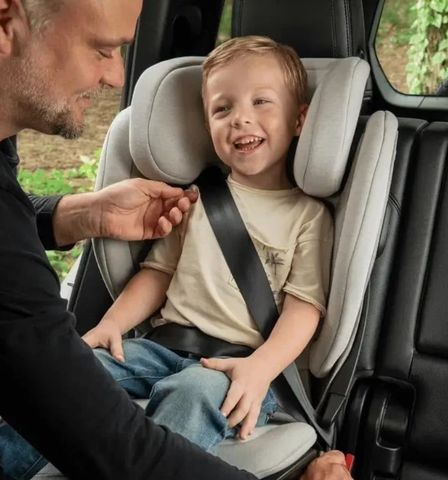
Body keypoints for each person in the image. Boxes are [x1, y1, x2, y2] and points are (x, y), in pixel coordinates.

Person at [0, 0, 354, 478]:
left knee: (191, 393)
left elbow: (303, 309)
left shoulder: (308, 216)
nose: (240, 119)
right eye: (223, 108)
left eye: (261, 103)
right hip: (160, 345)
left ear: (299, 120)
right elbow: (158, 274)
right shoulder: (198, 200)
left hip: (236, 362)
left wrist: (261, 367)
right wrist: (110, 326)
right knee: (83, 373)